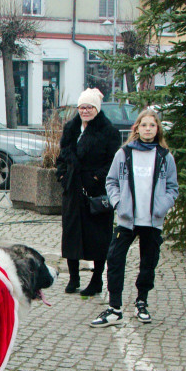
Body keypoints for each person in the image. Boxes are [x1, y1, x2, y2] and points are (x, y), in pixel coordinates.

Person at [90, 108, 178, 327]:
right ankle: (115, 308)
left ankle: (142, 301)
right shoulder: (124, 153)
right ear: (137, 128)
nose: (148, 129)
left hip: (152, 220)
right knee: (115, 259)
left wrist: (162, 207)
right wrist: (119, 203)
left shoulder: (165, 157)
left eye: (152, 125)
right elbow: (111, 182)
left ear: (157, 129)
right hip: (127, 219)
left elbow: (172, 188)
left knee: (148, 262)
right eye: (144, 125)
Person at [56, 88, 120, 298]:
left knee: (98, 237)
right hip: (73, 190)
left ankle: (96, 279)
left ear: (97, 108)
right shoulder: (71, 129)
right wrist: (63, 176)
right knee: (71, 234)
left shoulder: (108, 131)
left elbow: (113, 162)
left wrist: (95, 178)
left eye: (89, 107)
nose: (85, 111)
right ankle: (74, 278)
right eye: (82, 107)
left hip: (95, 192)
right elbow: (62, 157)